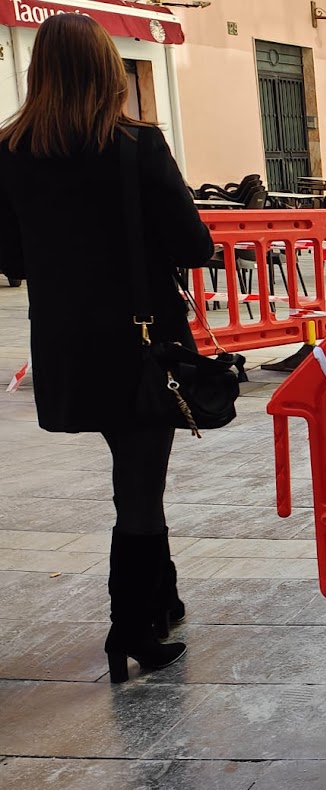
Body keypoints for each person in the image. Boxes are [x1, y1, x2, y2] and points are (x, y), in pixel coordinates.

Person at [0, 13, 214, 682]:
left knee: (137, 471)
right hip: (141, 341)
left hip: (67, 344)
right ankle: (131, 631)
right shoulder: (134, 144)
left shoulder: (8, 151)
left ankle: (164, 599)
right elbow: (194, 246)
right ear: (106, 70)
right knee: (140, 485)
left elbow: (9, 257)